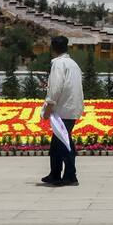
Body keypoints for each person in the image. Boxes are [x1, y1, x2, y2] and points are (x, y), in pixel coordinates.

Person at [40, 36, 83, 187]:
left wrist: (48, 106)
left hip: (62, 110)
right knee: (58, 143)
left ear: (53, 48)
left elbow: (56, 88)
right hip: (72, 108)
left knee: (63, 143)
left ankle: (70, 175)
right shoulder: (73, 64)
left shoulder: (58, 64)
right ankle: (55, 174)